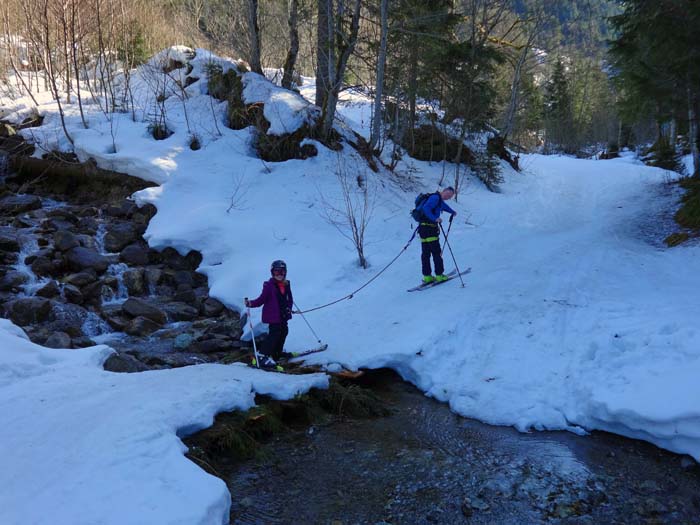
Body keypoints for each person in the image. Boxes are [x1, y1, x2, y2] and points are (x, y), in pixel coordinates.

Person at [245, 260, 294, 369]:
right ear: (272, 273)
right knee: (274, 334)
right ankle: (262, 355)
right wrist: (251, 303)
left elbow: (290, 299)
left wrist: (289, 308)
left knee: (284, 331)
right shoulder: (269, 286)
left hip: (283, 315)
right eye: (277, 272)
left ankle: (276, 353)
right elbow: (261, 299)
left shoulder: (286, 284)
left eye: (282, 272)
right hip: (273, 316)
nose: (280, 275)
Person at [417, 187, 457, 283]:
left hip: (423, 228)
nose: (448, 197)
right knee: (436, 252)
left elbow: (444, 206)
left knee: (425, 253)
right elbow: (426, 208)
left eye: (450, 196)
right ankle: (439, 275)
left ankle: (427, 276)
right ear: (443, 191)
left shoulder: (438, 199)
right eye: (447, 194)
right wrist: (435, 218)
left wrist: (452, 212)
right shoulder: (435, 198)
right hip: (430, 229)